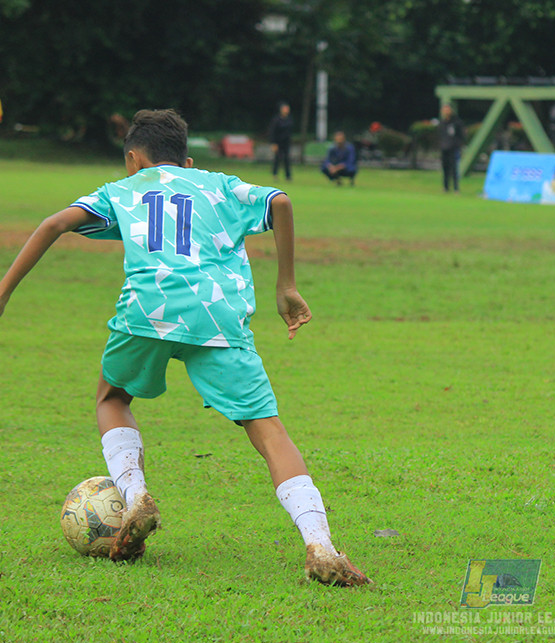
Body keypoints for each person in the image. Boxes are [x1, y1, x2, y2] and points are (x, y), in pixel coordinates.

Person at [0, 109, 370, 586]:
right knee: (268, 429)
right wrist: (286, 286)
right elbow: (279, 200)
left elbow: (54, 224)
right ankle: (319, 543)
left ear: (133, 160)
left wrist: (6, 290)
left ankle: (135, 497)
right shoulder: (216, 184)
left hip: (146, 312)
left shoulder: (122, 190)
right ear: (188, 162)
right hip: (217, 316)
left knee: (111, 399)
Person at [439, 104, 464, 193]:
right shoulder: (442, 123)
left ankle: (456, 188)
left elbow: (461, 136)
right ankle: (445, 187)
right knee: (445, 168)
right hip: (444, 148)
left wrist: (458, 145)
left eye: (447, 109)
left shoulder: (456, 122)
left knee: (454, 168)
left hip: (453, 148)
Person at [268, 102, 294, 182]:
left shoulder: (289, 119)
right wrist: (273, 143)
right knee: (277, 159)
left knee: (287, 159)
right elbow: (272, 131)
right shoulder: (276, 120)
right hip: (278, 142)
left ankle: (288, 176)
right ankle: (275, 174)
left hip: (286, 143)